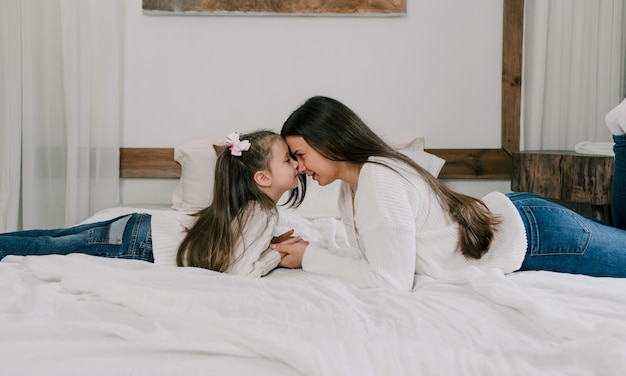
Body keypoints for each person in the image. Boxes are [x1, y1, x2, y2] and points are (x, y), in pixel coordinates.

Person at [272, 95, 626, 291]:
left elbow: (389, 282)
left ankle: (621, 134)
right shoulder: (350, 188)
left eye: (300, 155)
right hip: (521, 219)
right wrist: (313, 248)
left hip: (539, 235)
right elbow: (375, 257)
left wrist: (310, 258)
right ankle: (622, 133)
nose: (300, 168)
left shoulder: (378, 181)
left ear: (329, 140)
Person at [0, 130, 308, 277]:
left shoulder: (249, 208)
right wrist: (276, 256)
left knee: (54, 237)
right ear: (263, 178)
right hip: (141, 244)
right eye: (287, 159)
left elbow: (236, 246)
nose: (296, 164)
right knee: (51, 246)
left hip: (142, 225)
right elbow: (240, 272)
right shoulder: (263, 212)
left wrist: (267, 245)